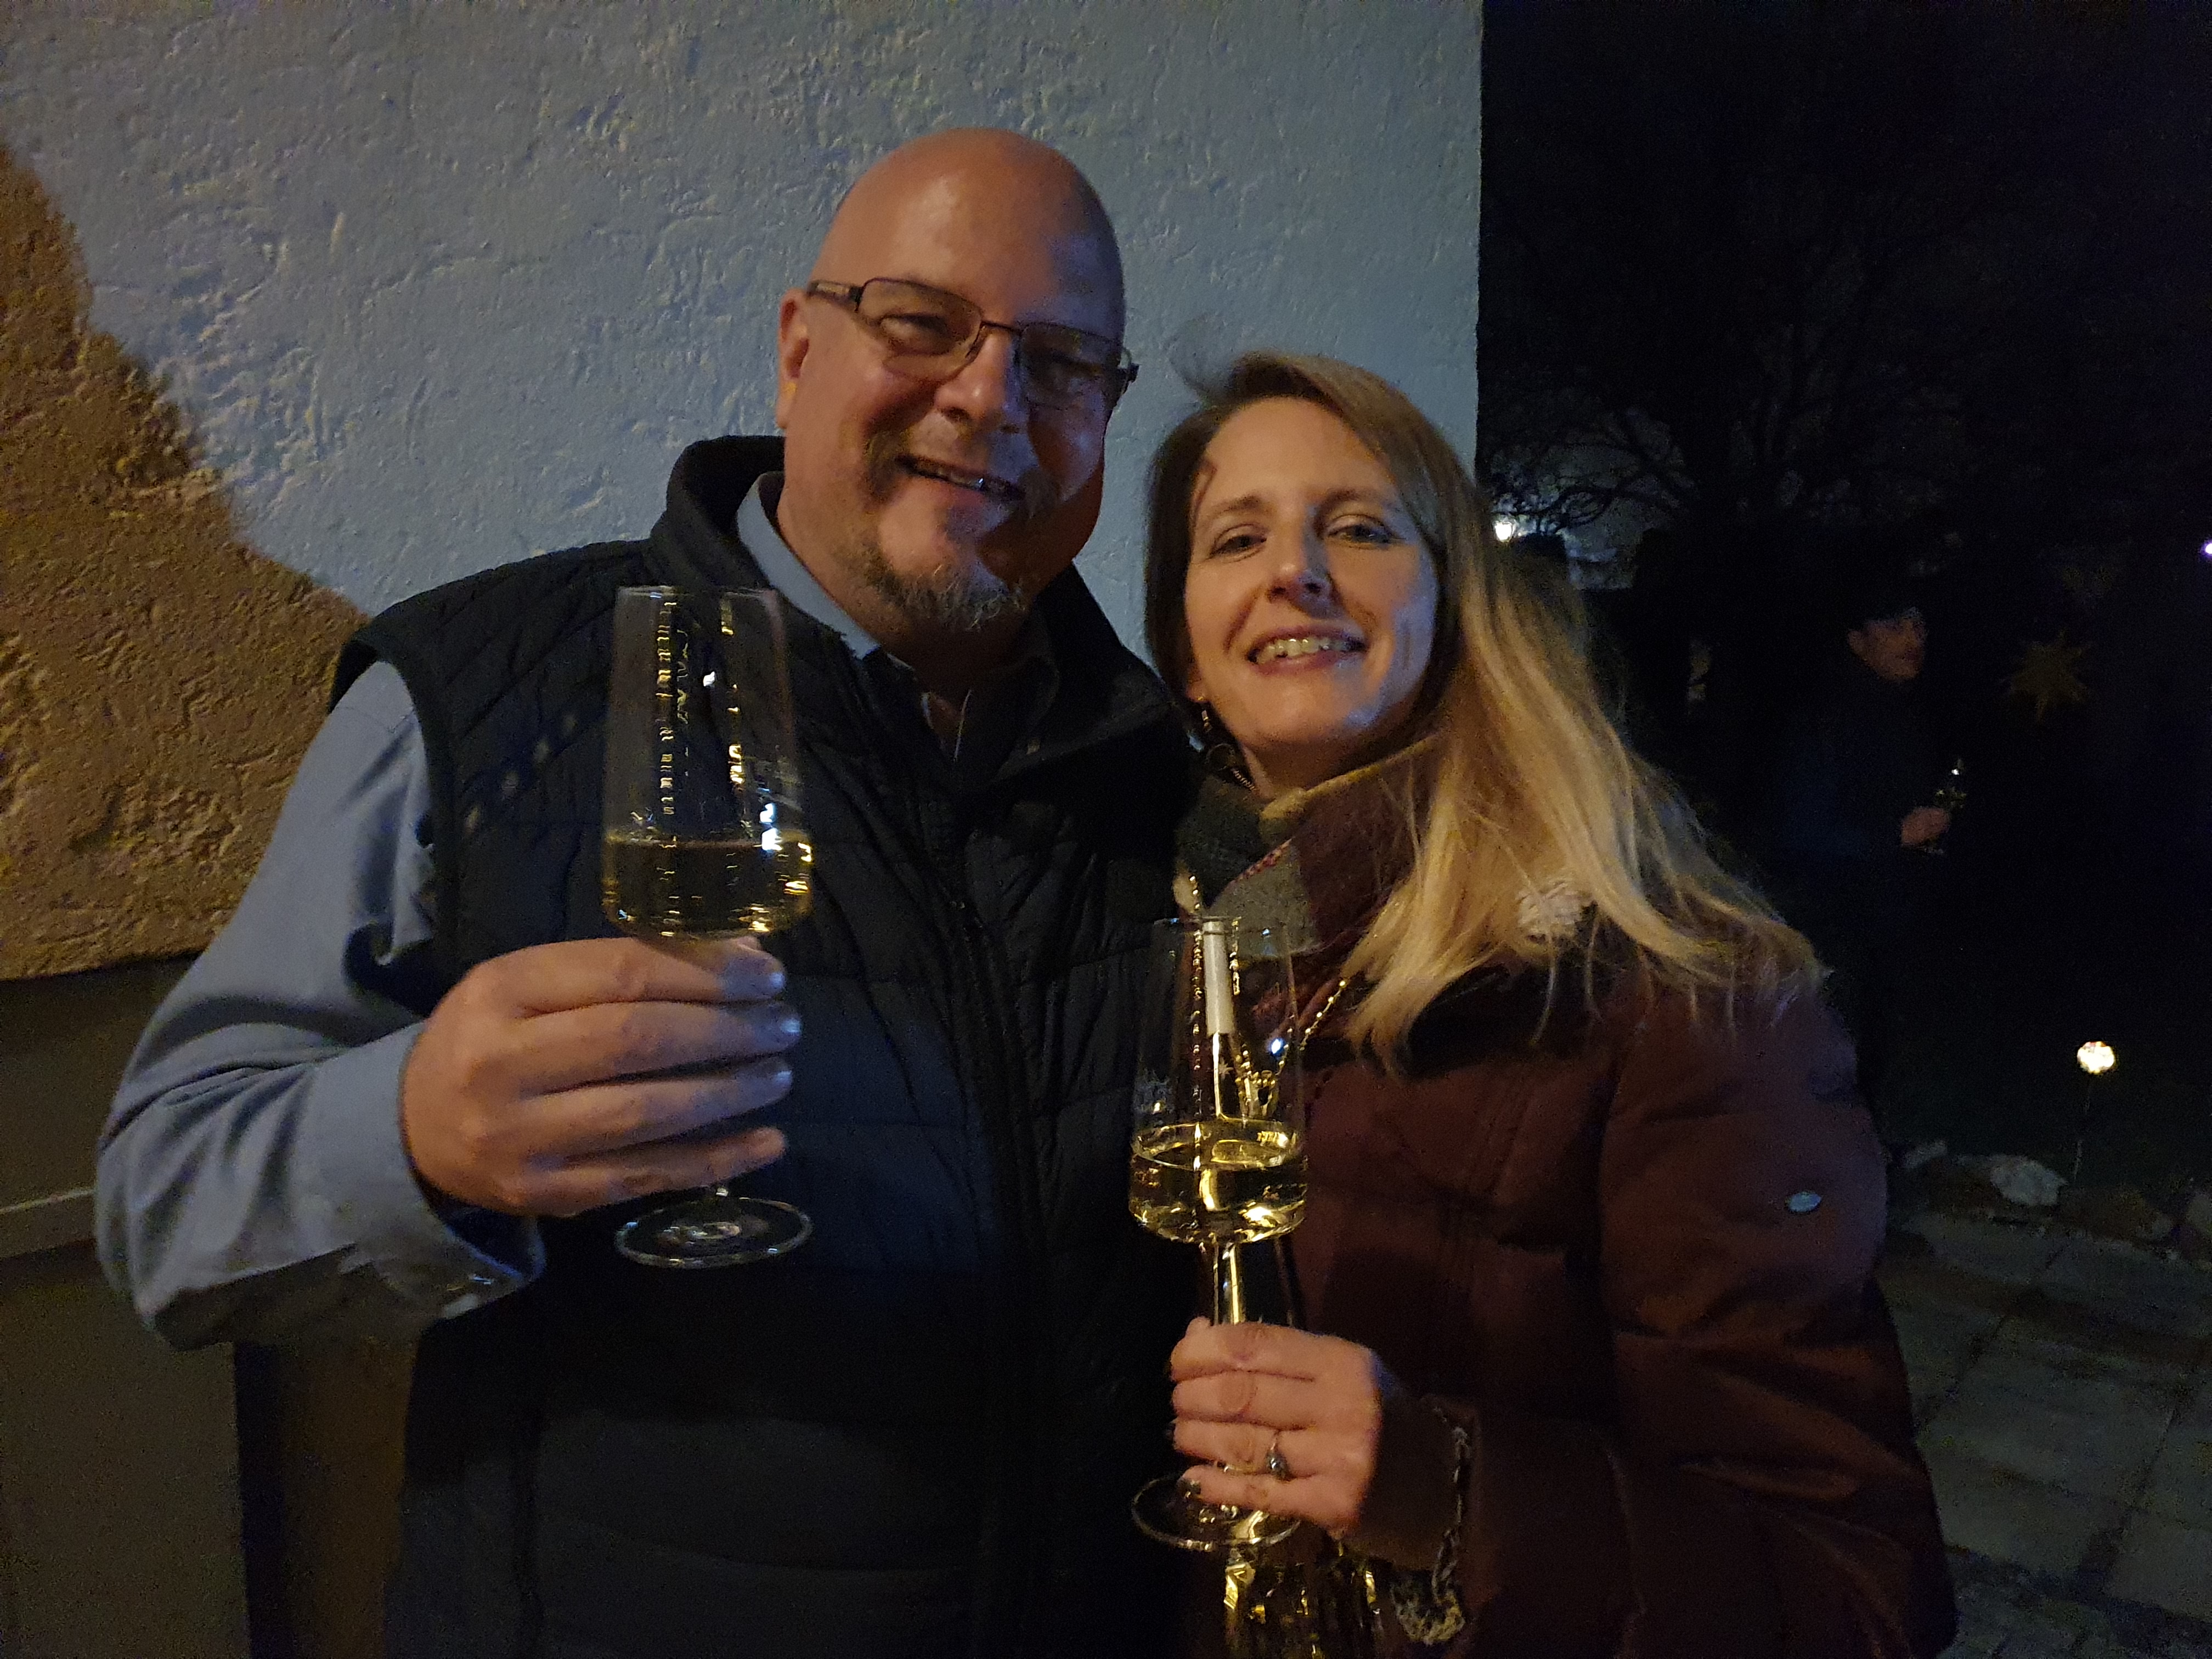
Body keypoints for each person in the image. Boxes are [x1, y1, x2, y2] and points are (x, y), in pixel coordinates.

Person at [98, 129, 1197, 1658]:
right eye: (922, 323)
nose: (991, 397)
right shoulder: (491, 694)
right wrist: (414, 1136)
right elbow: (164, 1208)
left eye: (1063, 362)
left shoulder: (1158, 769)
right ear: (798, 348)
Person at [1140, 354, 1956, 1655]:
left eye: (1361, 529)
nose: (1296, 570)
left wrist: (1451, 1499)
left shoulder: (1668, 991)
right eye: (1238, 537)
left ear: (1453, 600)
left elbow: (1852, 1591)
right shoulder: (1195, 939)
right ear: (1184, 649)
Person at [1764, 575, 1952, 1130]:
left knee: (1876, 1044)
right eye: (1893, 625)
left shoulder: (1907, 711)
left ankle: (1863, 1147)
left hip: (1886, 910)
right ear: (1856, 640)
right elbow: (1798, 828)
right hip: (1832, 916)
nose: (1912, 638)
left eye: (1918, 624)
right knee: (1831, 1050)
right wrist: (1892, 836)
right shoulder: (1826, 718)